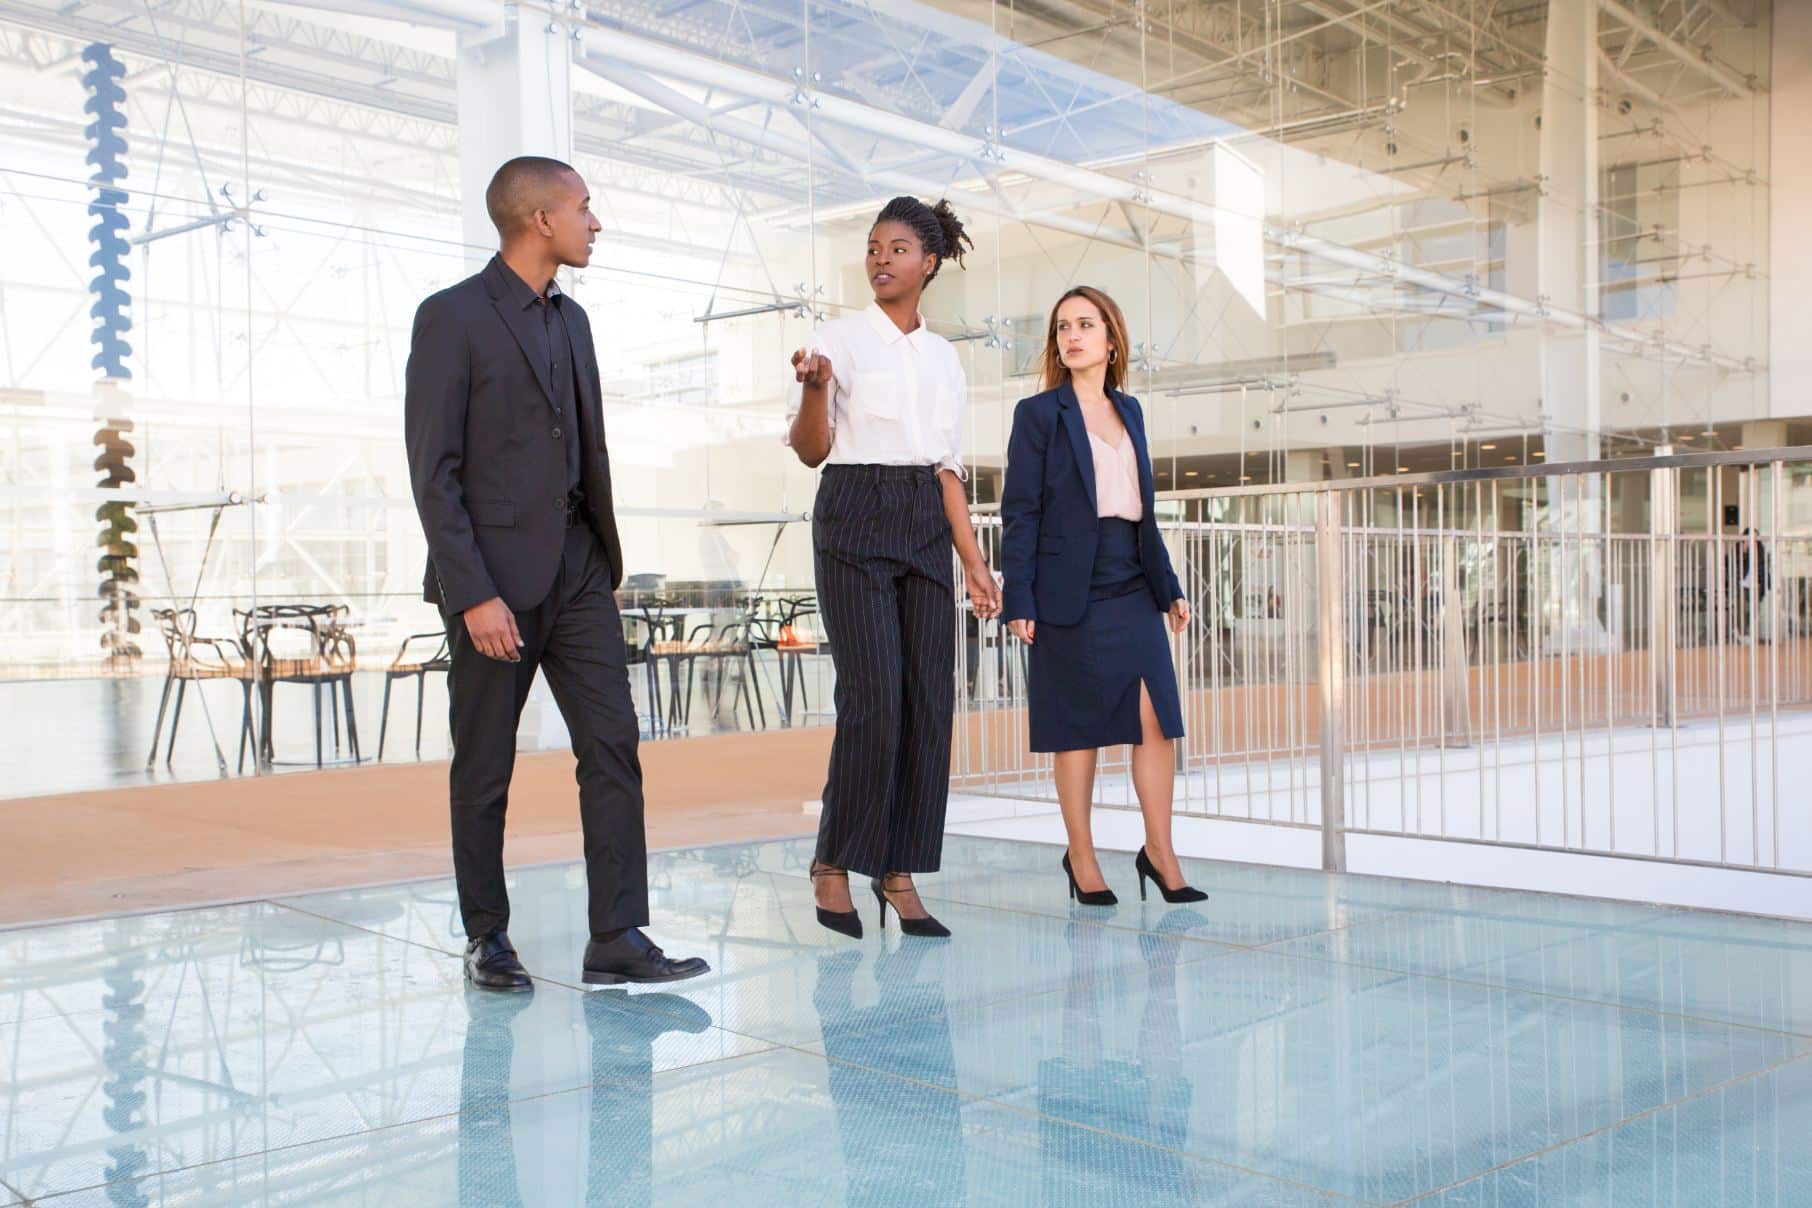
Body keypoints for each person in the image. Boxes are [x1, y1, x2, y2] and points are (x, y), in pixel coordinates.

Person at [404, 156, 708, 991]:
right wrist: (472, 594)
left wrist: (600, 560)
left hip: (579, 571)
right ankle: (487, 937)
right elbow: (434, 472)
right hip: (493, 584)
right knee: (485, 763)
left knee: (612, 744)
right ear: (540, 218)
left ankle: (616, 933)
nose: (594, 221)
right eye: (584, 207)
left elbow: (586, 447)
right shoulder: (450, 318)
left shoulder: (572, 322)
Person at [786, 196, 1002, 939]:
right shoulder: (837, 340)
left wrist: (973, 564)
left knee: (928, 704)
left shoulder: (943, 358)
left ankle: (899, 868)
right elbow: (812, 448)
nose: (881, 259)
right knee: (874, 698)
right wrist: (816, 388)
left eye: (898, 248)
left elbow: (946, 470)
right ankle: (833, 862)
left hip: (921, 518)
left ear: (929, 262)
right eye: (874, 247)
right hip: (854, 508)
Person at [999, 286, 1206, 906]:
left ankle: (1159, 851)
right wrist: (1020, 598)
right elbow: (1021, 512)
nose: (1072, 335)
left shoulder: (1131, 410)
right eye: (1063, 326)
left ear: (1111, 339)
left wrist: (1168, 586)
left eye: (1085, 324)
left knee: (1154, 722)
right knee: (1076, 728)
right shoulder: (1038, 415)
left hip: (1132, 582)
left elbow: (1146, 513)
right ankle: (1082, 858)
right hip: (1068, 590)